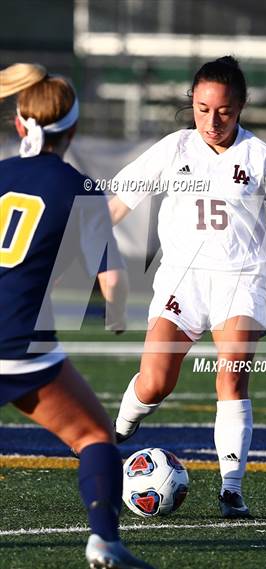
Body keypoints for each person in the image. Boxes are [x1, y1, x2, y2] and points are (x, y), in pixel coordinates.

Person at [109, 56, 266, 518]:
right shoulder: (175, 149)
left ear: (241, 108)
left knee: (231, 379)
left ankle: (231, 489)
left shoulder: (260, 157)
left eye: (224, 111)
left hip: (240, 281)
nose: (211, 121)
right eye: (201, 109)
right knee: (155, 383)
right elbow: (116, 203)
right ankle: (120, 426)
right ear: (191, 104)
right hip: (180, 279)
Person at [0, 63, 153, 569]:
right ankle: (105, 543)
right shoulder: (80, 190)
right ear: (73, 129)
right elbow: (112, 283)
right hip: (21, 342)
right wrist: (116, 316)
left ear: (20, 125)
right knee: (93, 437)